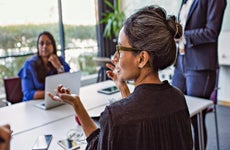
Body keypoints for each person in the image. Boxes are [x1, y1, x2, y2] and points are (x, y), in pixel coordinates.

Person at [48, 5, 193, 150]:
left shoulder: (114, 116)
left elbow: (97, 145)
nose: (115, 58)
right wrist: (123, 88)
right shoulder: (178, 98)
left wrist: (77, 105)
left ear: (142, 58)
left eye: (120, 49)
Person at [171, 0, 226, 149]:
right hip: (181, 62)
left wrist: (183, 35)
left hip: (200, 66)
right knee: (171, 108)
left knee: (196, 117)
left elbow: (212, 32)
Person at [18, 31, 71, 101]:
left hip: (55, 101)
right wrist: (53, 94)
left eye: (48, 43)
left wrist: (59, 67)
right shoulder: (29, 65)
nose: (44, 46)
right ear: (38, 46)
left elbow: (67, 85)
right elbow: (28, 94)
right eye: (41, 43)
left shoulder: (60, 60)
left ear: (53, 46)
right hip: (33, 104)